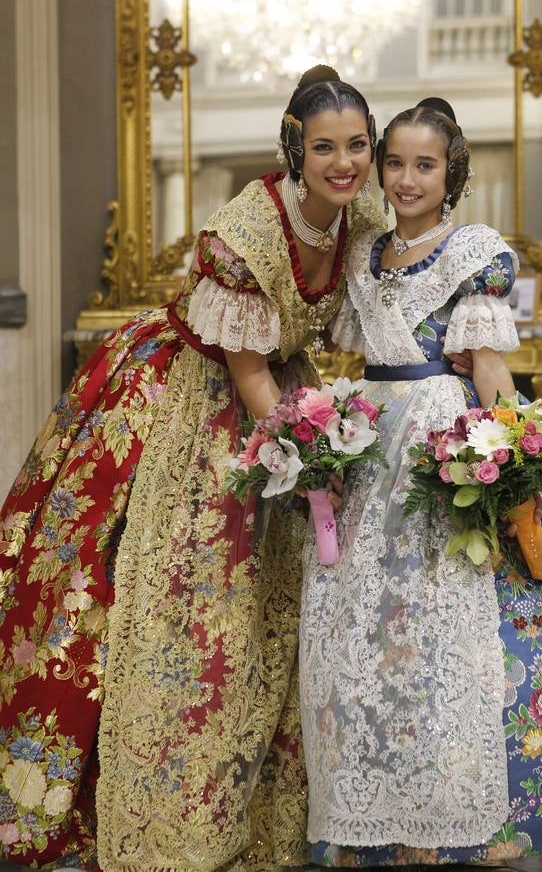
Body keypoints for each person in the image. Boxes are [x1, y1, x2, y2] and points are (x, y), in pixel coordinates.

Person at [0, 65, 384, 870]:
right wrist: (306, 457)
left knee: (281, 603)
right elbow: (247, 375)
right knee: (184, 593)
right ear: (294, 149)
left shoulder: (364, 213)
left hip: (280, 388)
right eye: (324, 148)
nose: (342, 163)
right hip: (188, 394)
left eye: (356, 145)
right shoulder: (240, 235)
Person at [299, 98, 542, 868]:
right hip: (369, 447)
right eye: (393, 162)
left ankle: (455, 808)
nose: (404, 178)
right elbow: (343, 348)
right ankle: (375, 806)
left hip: (438, 437)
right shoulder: (364, 251)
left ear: (450, 170)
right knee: (364, 628)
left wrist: (521, 459)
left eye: (423, 164)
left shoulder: (474, 253)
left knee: (443, 624)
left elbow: (489, 369)